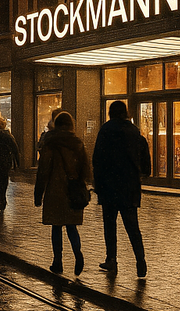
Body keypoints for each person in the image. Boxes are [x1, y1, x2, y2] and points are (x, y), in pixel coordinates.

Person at [91, 100, 152, 277]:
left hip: (109, 186)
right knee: (132, 226)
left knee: (110, 225)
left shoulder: (106, 130)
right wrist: (140, 173)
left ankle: (111, 259)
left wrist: (98, 183)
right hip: (129, 186)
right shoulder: (134, 132)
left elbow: (97, 159)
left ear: (110, 113)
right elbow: (145, 159)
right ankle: (140, 259)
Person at [34, 111, 91, 275]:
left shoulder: (51, 143)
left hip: (55, 191)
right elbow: (86, 170)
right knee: (72, 226)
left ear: (56, 125)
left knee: (57, 227)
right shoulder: (78, 144)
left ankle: (57, 261)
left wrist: (38, 194)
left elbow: (43, 171)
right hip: (73, 192)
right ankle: (77, 254)